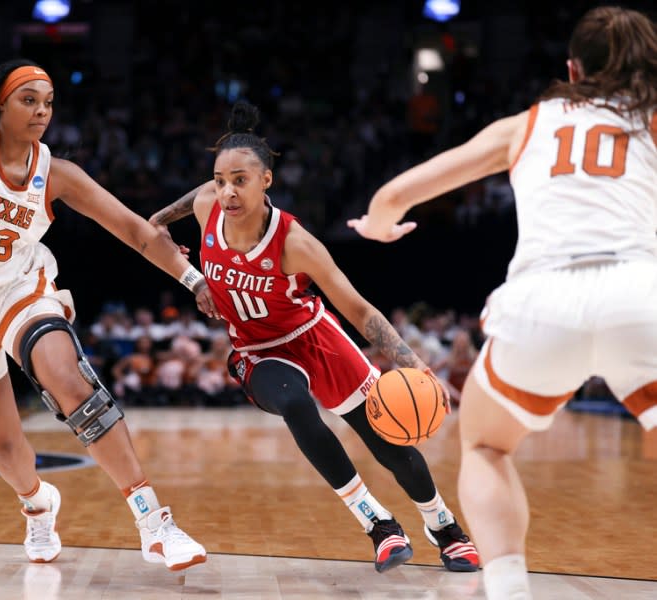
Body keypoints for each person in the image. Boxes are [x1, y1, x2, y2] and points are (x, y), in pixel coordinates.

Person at [348, 7, 656, 599]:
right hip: (640, 296)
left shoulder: (527, 125)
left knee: (486, 446)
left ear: (572, 68)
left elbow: (395, 194)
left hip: (542, 303)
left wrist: (379, 226)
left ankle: (510, 588)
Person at [149, 100, 479, 574]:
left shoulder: (295, 243)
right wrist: (165, 229)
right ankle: (378, 524)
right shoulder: (206, 204)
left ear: (267, 180)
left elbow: (359, 309)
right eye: (221, 180)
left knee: (386, 437)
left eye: (239, 180)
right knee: (297, 406)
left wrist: (411, 362)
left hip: (314, 336)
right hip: (256, 351)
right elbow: (186, 203)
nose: (226, 192)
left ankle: (443, 525)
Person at [0, 57, 218, 570]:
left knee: (69, 380)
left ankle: (154, 523)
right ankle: (37, 504)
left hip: (16, 291)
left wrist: (194, 279)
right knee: (5, 445)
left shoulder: (57, 174)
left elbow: (137, 231)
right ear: (1, 104)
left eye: (48, 103)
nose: (41, 112)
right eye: (28, 101)